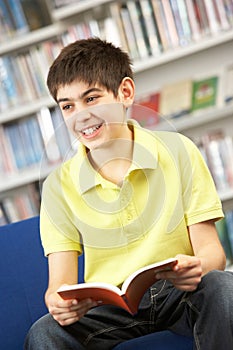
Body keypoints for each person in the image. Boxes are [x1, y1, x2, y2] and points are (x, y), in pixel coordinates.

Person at [25, 37, 233, 350]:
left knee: (223, 286)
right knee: (44, 332)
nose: (80, 116)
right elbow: (59, 286)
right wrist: (60, 303)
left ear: (125, 93)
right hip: (108, 309)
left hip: (177, 293)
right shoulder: (58, 185)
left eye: (91, 99)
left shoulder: (179, 151)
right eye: (68, 106)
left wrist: (197, 268)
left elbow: (212, 253)